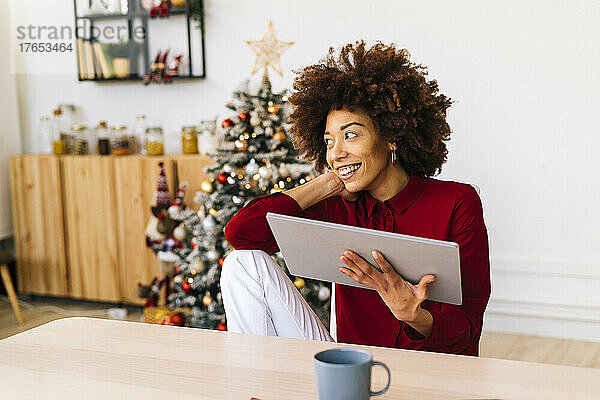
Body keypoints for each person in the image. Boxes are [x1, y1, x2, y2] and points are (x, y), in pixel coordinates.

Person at [221, 41, 490, 356]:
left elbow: (469, 333)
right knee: (242, 263)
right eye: (328, 141)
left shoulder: (457, 201)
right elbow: (241, 234)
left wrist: (415, 316)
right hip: (347, 372)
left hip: (428, 375)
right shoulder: (335, 205)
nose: (336, 152)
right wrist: (325, 183)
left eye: (350, 135)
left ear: (391, 135)